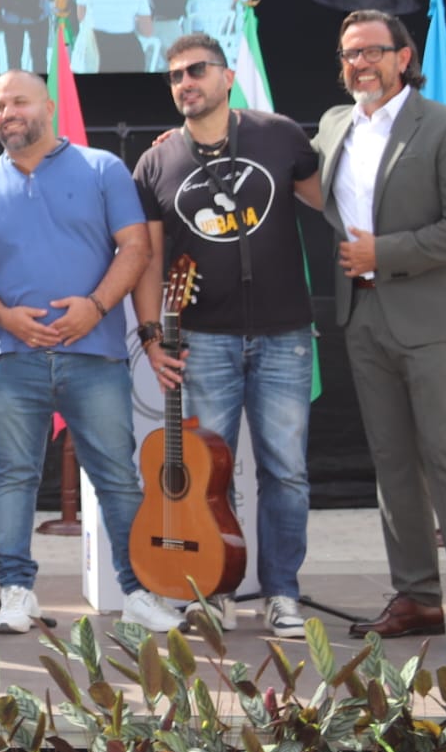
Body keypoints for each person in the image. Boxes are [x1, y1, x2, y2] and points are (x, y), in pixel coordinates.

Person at [0, 72, 175, 634]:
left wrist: (95, 307)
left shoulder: (102, 169)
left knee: (117, 477)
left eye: (19, 101)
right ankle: (17, 592)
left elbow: (136, 247)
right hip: (10, 359)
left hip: (94, 356)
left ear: (48, 105)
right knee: (12, 477)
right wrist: (6, 317)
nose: (8, 113)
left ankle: (138, 590)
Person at [314, 10, 446, 654]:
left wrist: (383, 254)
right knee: (392, 464)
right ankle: (420, 598)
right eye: (348, 54)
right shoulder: (335, 125)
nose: (359, 63)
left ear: (403, 55)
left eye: (371, 51)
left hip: (430, 319)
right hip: (362, 317)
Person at [130, 36, 323, 639]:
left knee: (285, 471)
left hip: (285, 334)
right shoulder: (157, 162)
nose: (185, 82)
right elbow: (149, 261)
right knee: (210, 478)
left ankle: (283, 593)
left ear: (229, 75)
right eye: (174, 76)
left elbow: (336, 202)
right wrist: (153, 337)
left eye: (196, 70)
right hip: (204, 339)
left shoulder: (281, 135)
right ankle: (213, 591)